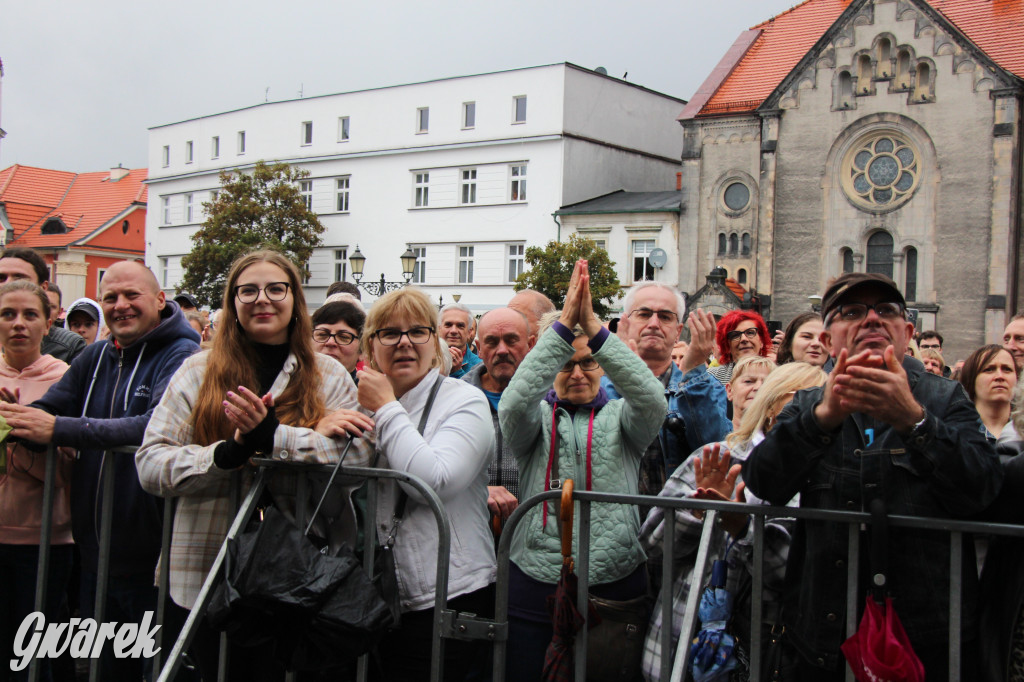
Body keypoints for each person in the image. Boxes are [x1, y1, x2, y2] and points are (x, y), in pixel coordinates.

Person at [742, 272, 1002, 679]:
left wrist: (914, 421)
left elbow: (982, 488)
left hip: (926, 644)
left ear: (907, 332)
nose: (872, 320)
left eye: (886, 310)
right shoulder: (808, 403)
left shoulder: (945, 398)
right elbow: (764, 481)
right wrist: (823, 418)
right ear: (828, 342)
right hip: (825, 639)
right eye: (852, 311)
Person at [136, 250, 370, 680]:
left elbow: (357, 459)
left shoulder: (328, 376)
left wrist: (274, 437)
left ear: (295, 300)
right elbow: (151, 464)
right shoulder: (196, 373)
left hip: (297, 572)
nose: (263, 299)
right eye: (248, 290)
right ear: (233, 301)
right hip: (207, 567)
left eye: (276, 288)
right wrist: (226, 454)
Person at [0, 260, 200, 680]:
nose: (120, 305)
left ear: (160, 300)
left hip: (153, 556)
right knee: (104, 670)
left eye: (132, 296)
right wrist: (15, 416)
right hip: (95, 551)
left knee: (159, 670)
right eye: (110, 297)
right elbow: (51, 409)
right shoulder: (95, 355)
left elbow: (154, 424)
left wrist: (58, 428)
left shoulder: (183, 355)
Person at [498, 260, 667, 680]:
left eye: (588, 363)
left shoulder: (622, 419)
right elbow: (513, 405)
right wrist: (560, 333)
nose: (577, 373)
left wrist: (595, 329)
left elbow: (652, 402)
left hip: (614, 581)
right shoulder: (536, 420)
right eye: (565, 364)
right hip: (535, 577)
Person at [640, 362, 826, 681]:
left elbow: (798, 576)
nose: (804, 409)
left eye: (817, 402)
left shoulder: (822, 478)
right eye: (795, 397)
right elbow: (653, 546)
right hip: (683, 640)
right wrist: (698, 511)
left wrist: (743, 530)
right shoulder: (718, 455)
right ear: (770, 406)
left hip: (764, 652)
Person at [356, 286, 495, 682]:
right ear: (371, 347)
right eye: (389, 332)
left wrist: (386, 409)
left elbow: (432, 483)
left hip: (450, 591)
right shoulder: (359, 404)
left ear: (434, 343)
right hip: (380, 592)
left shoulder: (464, 401)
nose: (404, 342)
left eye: (418, 331)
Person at [0, 282, 74, 682]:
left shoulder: (63, 379)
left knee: (35, 652)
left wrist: (23, 434)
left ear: (48, 323)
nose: (18, 324)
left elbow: (65, 473)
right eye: (7, 314)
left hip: (44, 539)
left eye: (30, 315)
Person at [608, 282, 731, 498]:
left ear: (678, 331)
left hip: (678, 521)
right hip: (617, 523)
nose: (654, 323)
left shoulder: (707, 387)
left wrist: (693, 373)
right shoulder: (600, 388)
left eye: (665, 317)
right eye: (644, 314)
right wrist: (627, 375)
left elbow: (715, 451)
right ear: (625, 323)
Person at [462, 307, 535, 526]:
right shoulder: (455, 399)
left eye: (511, 340)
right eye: (492, 342)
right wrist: (475, 492)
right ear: (479, 348)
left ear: (531, 345)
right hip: (469, 530)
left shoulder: (550, 398)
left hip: (532, 538)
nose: (502, 350)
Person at [0, 248, 86, 364]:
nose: (8, 284)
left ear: (43, 287)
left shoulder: (71, 346)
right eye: (1, 278)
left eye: (19, 278)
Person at [959, 344, 1019, 442]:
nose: (1000, 376)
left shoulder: (1021, 433)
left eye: (1007, 369)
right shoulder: (955, 434)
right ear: (971, 379)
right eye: (989, 369)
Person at [709, 310, 771, 385]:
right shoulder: (712, 378)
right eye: (735, 335)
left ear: (761, 341)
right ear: (727, 345)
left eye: (750, 332)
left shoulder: (777, 376)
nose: (743, 339)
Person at [312, 299, 365, 379]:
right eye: (322, 335)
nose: (330, 342)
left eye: (343, 337)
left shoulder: (368, 391)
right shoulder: (288, 386)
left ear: (362, 351)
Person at [726, 355, 776, 431]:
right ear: (729, 391)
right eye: (748, 381)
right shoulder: (713, 437)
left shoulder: (783, 440)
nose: (758, 387)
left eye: (766, 383)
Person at [438, 303, 481, 379]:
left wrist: (457, 373)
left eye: (460, 326)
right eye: (448, 325)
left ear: (469, 332)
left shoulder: (480, 367)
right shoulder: (425, 362)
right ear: (439, 329)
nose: (453, 331)